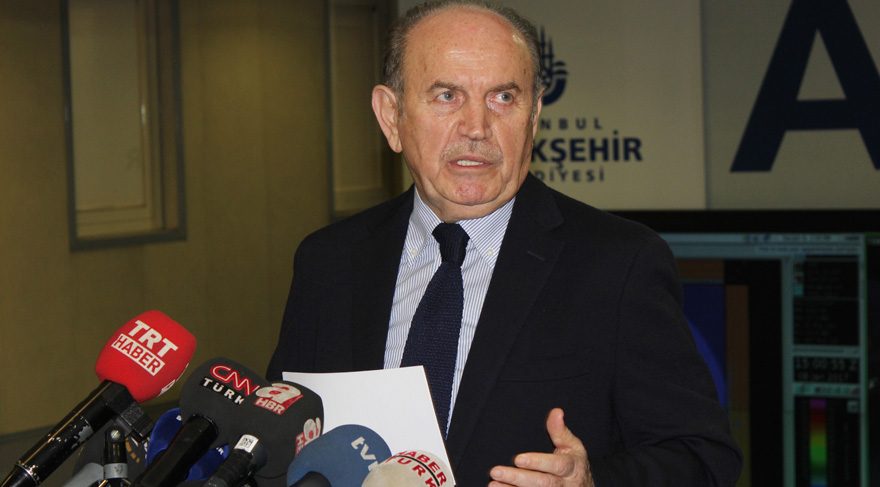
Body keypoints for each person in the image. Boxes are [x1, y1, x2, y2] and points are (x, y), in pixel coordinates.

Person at [267, 1, 742, 485]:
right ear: (392, 116)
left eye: (503, 97)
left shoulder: (618, 264)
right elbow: (281, 443)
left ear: (533, 117)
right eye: (447, 95)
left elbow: (702, 457)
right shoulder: (329, 262)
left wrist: (592, 481)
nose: (476, 127)